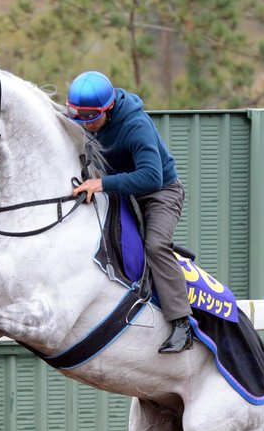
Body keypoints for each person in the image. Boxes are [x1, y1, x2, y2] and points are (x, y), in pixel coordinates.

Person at [67, 71, 193, 354]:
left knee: (156, 245)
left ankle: (182, 324)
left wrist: (102, 183)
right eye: (78, 118)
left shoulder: (136, 125)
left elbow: (152, 177)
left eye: (90, 119)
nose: (85, 125)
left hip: (160, 192)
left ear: (108, 108)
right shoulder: (86, 118)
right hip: (120, 190)